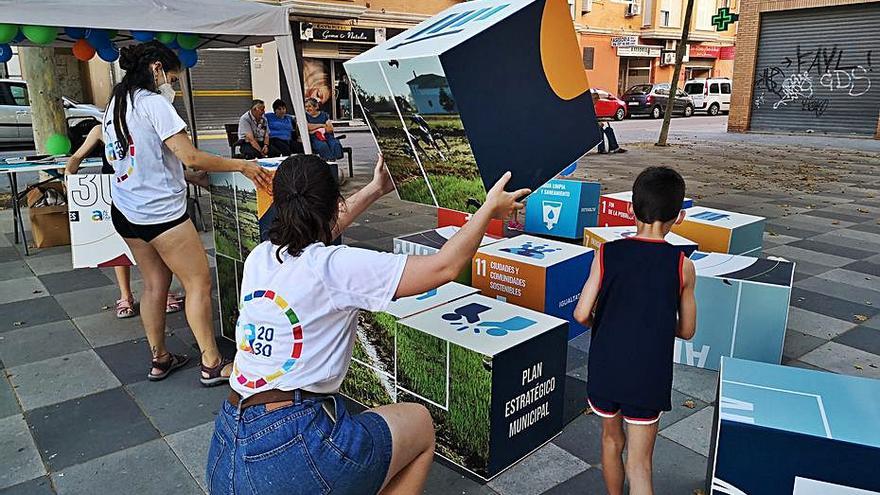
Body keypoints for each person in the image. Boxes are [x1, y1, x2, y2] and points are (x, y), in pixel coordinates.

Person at [206, 154, 529, 495]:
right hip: (292, 451)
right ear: (335, 203)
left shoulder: (261, 257)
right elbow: (444, 267)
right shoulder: (335, 267)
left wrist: (376, 189)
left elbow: (320, 229)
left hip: (227, 449)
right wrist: (488, 209)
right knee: (419, 425)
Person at [103, 41, 272, 385]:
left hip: (126, 210)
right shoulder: (154, 104)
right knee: (197, 282)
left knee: (153, 285)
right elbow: (190, 155)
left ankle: (160, 358)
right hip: (161, 214)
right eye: (174, 78)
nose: (174, 86)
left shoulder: (117, 103)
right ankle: (212, 363)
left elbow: (137, 157)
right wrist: (241, 165)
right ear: (156, 69)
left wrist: (184, 176)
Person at [573, 166, 697, 495]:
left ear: (631, 209)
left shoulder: (606, 253)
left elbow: (581, 312)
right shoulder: (682, 265)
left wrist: (610, 322)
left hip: (606, 369)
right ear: (679, 217)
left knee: (611, 441)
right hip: (648, 376)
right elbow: (687, 330)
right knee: (640, 465)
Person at [64, 124, 187, 318]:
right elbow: (77, 157)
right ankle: (125, 295)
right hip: (116, 195)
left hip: (146, 194)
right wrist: (70, 175)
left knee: (156, 245)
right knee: (118, 246)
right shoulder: (101, 129)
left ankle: (163, 291)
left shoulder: (146, 126)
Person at [305, 97, 344, 161]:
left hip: (327, 136)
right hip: (315, 138)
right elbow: (308, 127)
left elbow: (330, 129)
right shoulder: (305, 116)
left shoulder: (324, 115)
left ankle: (332, 162)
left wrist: (314, 129)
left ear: (316, 107)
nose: (307, 109)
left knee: (335, 144)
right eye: (306, 107)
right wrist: (322, 125)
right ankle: (328, 162)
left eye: (309, 106)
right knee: (322, 146)